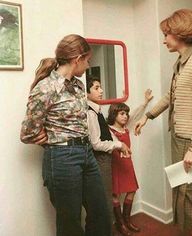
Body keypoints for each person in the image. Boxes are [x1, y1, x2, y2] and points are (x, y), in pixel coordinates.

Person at [134, 9, 192, 236]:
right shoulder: (181, 62)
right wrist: (147, 116)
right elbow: (171, 97)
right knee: (181, 188)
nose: (164, 40)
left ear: (181, 33)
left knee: (190, 193)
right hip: (179, 135)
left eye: (167, 34)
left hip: (191, 138)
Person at [20, 34, 111, 236]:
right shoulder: (45, 87)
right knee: (70, 222)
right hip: (62, 158)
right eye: (87, 61)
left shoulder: (79, 86)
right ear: (77, 59)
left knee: (101, 214)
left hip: (86, 152)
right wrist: (51, 138)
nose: (88, 66)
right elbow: (27, 132)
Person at [107, 90, 153, 236]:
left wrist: (145, 102)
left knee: (131, 190)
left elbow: (136, 114)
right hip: (114, 165)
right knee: (114, 194)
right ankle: (120, 224)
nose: (126, 116)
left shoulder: (127, 127)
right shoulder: (109, 130)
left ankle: (127, 221)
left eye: (126, 114)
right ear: (114, 114)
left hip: (127, 164)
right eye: (122, 114)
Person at [86, 76, 131, 223]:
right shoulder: (90, 113)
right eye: (96, 88)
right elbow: (96, 143)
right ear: (87, 92)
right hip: (100, 159)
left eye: (100, 87)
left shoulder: (97, 111)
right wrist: (118, 145)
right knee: (105, 199)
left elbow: (108, 133)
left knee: (106, 197)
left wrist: (119, 143)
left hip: (106, 158)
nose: (101, 91)